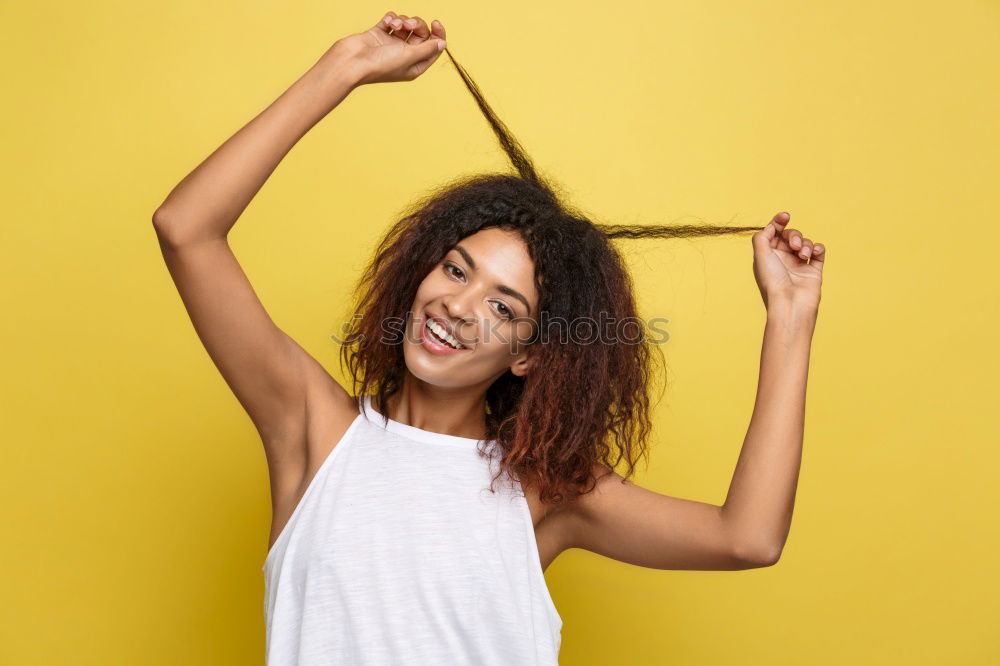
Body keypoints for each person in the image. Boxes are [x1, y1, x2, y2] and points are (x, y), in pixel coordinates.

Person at [152, 11, 826, 665]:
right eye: (455, 269)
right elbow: (186, 228)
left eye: (503, 307)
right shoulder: (314, 431)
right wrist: (347, 65)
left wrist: (790, 316)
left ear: (530, 354)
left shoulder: (545, 495)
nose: (458, 305)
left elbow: (748, 538)